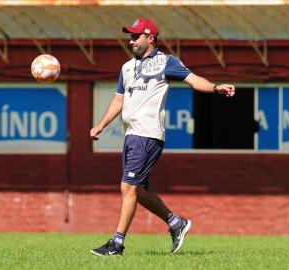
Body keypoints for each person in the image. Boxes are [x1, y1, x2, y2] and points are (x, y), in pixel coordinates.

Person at [90, 18, 235, 256]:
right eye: (130, 36)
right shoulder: (127, 67)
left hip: (148, 135)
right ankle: (176, 223)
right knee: (137, 191)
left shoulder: (165, 62)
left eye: (136, 36)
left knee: (128, 187)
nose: (131, 40)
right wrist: (101, 124)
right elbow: (119, 99)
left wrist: (216, 87)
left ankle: (116, 244)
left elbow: (193, 79)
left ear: (151, 38)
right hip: (131, 135)